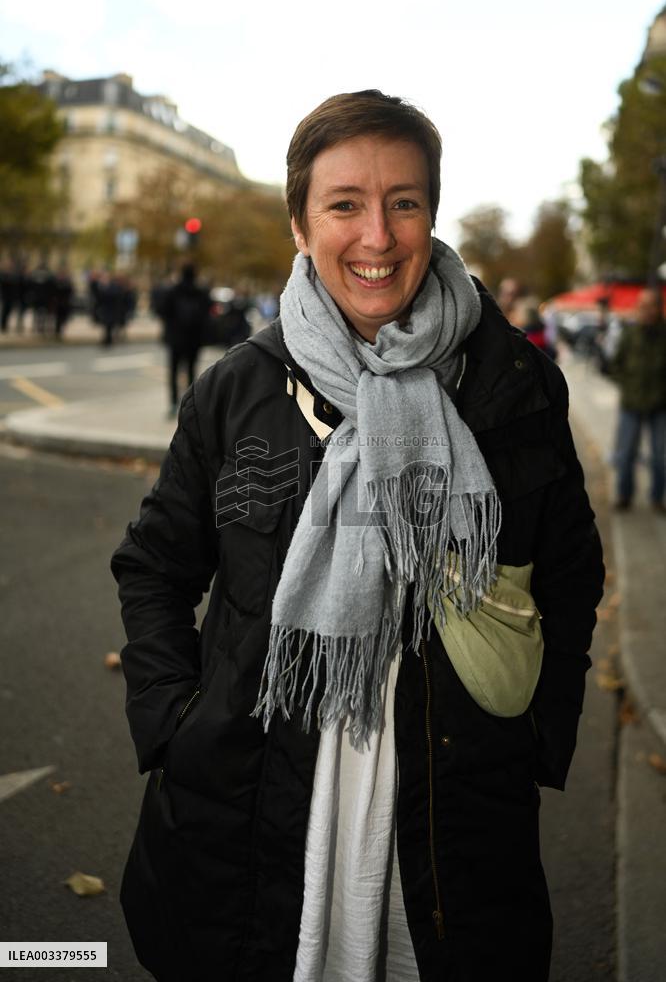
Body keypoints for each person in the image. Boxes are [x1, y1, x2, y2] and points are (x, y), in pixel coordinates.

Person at [111, 91, 604, 982]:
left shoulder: (518, 381)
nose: (377, 236)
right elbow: (153, 565)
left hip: (451, 828)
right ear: (300, 224)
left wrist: (535, 737)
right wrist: (174, 723)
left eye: (403, 202)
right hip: (251, 812)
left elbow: (571, 571)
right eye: (345, 205)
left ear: (431, 214)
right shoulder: (239, 387)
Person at [610, 286, 666, 512]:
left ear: (659, 309)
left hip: (660, 405)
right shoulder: (629, 333)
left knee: (660, 457)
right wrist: (627, 384)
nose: (646, 310)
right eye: (642, 305)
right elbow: (616, 364)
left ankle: (657, 498)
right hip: (631, 404)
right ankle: (624, 495)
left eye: (651, 306)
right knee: (625, 454)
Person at [160, 263, 211, 416]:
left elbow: (163, 311)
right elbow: (207, 314)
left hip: (175, 338)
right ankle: (189, 405)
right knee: (190, 371)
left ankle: (173, 402)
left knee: (174, 371)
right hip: (193, 339)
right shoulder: (201, 292)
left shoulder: (173, 291)